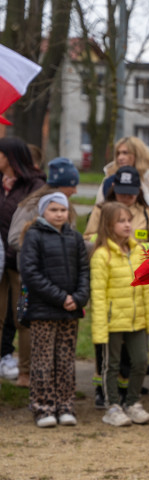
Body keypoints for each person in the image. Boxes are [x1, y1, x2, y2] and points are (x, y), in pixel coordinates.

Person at [6, 158, 82, 389]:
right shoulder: (32, 205)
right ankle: (27, 374)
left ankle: (55, 377)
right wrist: (43, 248)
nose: (76, 190)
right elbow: (13, 238)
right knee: (30, 323)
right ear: (61, 184)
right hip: (32, 275)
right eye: (72, 185)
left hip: (61, 278)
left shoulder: (64, 205)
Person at [18, 193, 89, 427]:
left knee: (66, 360)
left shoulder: (75, 237)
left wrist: (78, 298)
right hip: (43, 310)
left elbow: (84, 272)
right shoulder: (34, 236)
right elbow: (31, 273)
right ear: (43, 212)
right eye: (54, 210)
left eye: (63, 209)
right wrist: (61, 298)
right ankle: (43, 407)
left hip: (70, 310)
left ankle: (65, 405)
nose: (59, 214)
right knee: (43, 360)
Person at [90, 202, 149, 427]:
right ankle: (112, 406)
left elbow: (147, 288)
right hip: (112, 322)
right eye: (121, 221)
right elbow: (98, 295)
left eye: (129, 220)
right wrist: (100, 328)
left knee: (140, 361)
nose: (128, 225)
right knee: (112, 364)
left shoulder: (139, 251)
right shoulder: (101, 255)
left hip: (136, 319)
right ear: (108, 225)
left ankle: (132, 402)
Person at [0, 137, 46, 390]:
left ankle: (25, 372)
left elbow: (32, 223)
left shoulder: (35, 185)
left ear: (10, 157)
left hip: (21, 261)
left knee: (22, 317)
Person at [96, 136, 149, 208]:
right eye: (118, 153)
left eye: (125, 153)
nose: (120, 157)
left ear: (138, 154)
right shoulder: (110, 180)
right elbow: (99, 209)